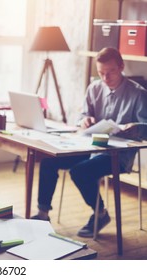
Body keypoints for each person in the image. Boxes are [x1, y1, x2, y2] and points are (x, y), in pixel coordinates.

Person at [31, 47, 147, 238]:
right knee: (48, 162)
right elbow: (83, 114)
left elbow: (146, 126)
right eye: (101, 73)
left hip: (119, 154)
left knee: (80, 171)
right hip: (90, 146)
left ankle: (100, 213)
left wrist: (134, 127)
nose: (105, 78)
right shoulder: (94, 88)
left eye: (111, 72)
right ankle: (43, 214)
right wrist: (83, 120)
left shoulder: (138, 94)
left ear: (122, 67)